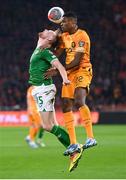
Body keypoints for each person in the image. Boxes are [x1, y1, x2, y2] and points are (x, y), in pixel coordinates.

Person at [28, 29, 82, 172]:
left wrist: (64, 79)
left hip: (44, 89)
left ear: (49, 40)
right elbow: (54, 33)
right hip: (41, 89)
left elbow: (59, 66)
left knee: (47, 126)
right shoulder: (39, 46)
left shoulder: (46, 52)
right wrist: (59, 27)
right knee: (53, 124)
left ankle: (74, 147)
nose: (46, 30)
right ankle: (73, 151)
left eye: (49, 32)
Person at [45, 12, 97, 156]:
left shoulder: (82, 35)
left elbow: (77, 61)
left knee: (79, 100)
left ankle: (90, 138)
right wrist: (48, 47)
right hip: (69, 74)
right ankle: (73, 143)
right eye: (61, 23)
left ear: (73, 23)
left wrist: (57, 70)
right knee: (66, 105)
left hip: (82, 70)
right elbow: (57, 53)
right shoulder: (64, 37)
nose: (61, 24)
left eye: (64, 22)